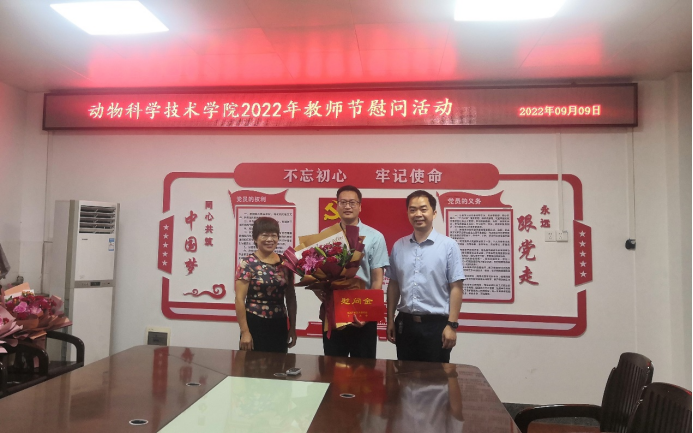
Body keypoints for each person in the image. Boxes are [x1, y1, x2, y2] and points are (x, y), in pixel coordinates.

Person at [386, 190, 465, 363]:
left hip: (437, 326)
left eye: (423, 209)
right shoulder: (399, 246)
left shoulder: (448, 246)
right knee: (404, 375)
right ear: (408, 213)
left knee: (435, 377)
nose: (418, 214)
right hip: (405, 324)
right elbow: (394, 284)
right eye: (413, 210)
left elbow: (456, 287)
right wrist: (390, 319)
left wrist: (452, 325)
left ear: (434, 213)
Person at [312, 185, 389, 359]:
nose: (348, 206)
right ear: (337, 205)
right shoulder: (326, 235)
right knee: (333, 366)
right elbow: (316, 272)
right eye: (343, 202)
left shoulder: (375, 237)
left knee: (364, 370)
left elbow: (377, 279)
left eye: (352, 203)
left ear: (360, 206)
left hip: (363, 314)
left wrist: (367, 313)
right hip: (334, 311)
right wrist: (319, 292)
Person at [235, 217, 297, 353]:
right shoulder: (247, 263)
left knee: (279, 364)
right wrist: (245, 332)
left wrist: (292, 327)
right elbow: (239, 299)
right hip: (254, 323)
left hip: (279, 323)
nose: (270, 239)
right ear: (255, 238)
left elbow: (291, 297)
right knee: (251, 364)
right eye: (264, 235)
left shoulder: (285, 263)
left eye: (274, 235)